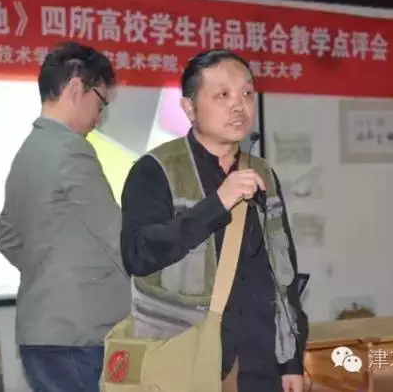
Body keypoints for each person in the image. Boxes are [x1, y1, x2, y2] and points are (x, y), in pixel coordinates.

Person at [120, 49, 309, 392]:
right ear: (189, 108)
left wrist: (292, 361)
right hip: (187, 363)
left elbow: (284, 275)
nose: (239, 106)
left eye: (247, 93)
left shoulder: (263, 173)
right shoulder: (156, 170)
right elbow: (138, 255)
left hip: (261, 362)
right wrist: (217, 204)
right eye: (223, 95)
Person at [0, 42, 130, 392]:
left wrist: (52, 271)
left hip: (38, 333)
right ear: (75, 89)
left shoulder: (27, 151)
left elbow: (7, 239)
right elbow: (117, 237)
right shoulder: (72, 150)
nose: (99, 117)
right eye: (100, 103)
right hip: (80, 333)